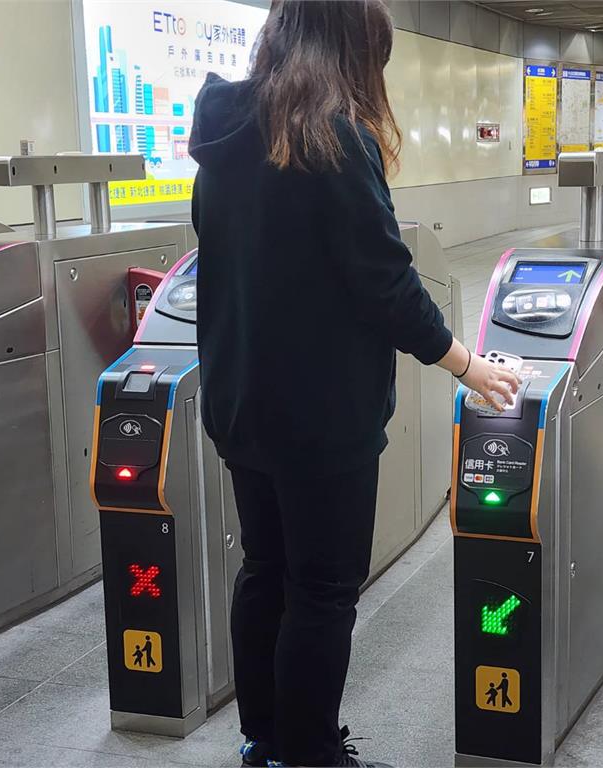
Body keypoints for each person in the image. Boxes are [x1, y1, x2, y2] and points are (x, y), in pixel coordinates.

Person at [188, 3, 521, 767]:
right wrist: (470, 368)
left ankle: (264, 739)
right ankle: (309, 754)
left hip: (241, 403)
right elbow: (383, 283)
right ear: (353, 51)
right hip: (321, 420)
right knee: (323, 588)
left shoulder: (225, 134)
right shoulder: (332, 135)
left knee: (264, 568)